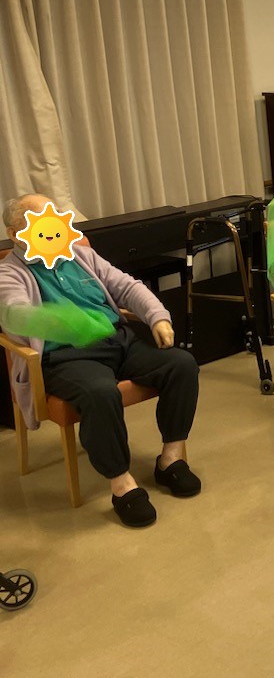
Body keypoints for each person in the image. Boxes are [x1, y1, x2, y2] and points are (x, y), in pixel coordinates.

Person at [0, 194, 201, 528]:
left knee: (181, 364)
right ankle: (121, 483)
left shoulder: (80, 254)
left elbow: (126, 286)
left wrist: (157, 317)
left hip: (117, 340)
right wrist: (61, 322)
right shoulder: (9, 273)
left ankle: (171, 459)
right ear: (14, 232)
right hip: (64, 357)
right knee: (100, 392)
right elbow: (14, 314)